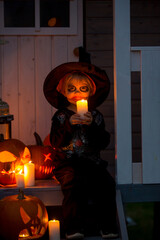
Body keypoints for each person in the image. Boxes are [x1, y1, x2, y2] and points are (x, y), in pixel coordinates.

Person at [43, 62, 118, 239]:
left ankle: (107, 226)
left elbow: (102, 142)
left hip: (91, 162)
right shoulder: (61, 116)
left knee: (106, 183)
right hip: (67, 163)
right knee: (72, 183)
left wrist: (91, 125)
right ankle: (74, 227)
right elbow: (55, 142)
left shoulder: (95, 116)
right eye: (72, 89)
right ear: (63, 91)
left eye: (83, 88)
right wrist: (69, 125)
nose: (77, 93)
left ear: (90, 92)